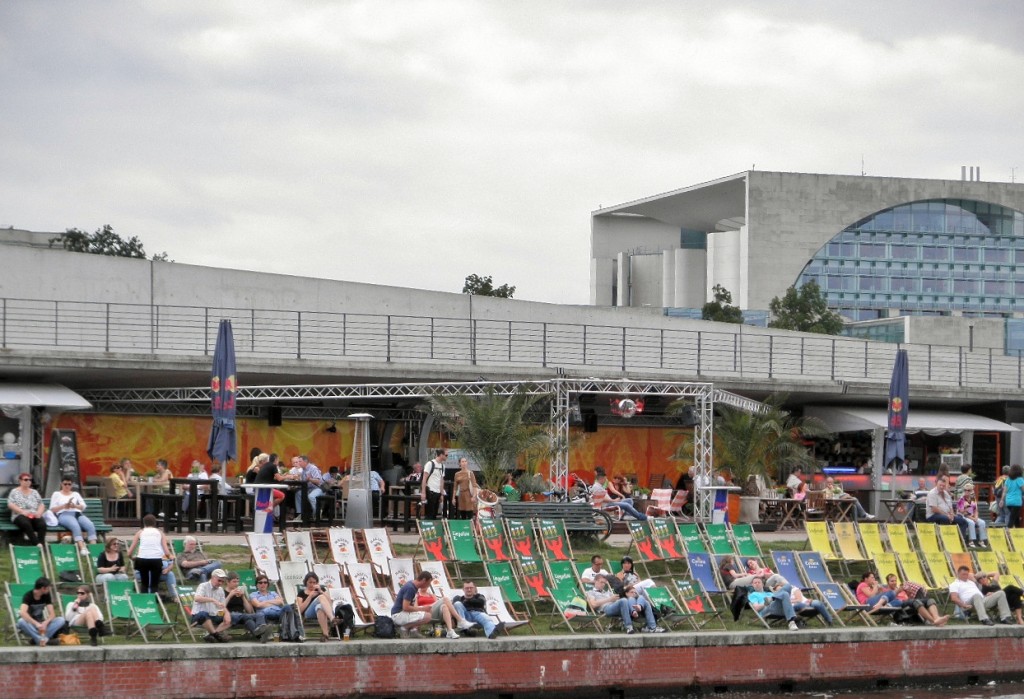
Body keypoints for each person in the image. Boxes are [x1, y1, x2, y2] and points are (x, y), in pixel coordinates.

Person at [585, 573, 665, 634]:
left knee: (643, 600)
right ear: (595, 581)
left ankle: (652, 627)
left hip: (620, 606)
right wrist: (610, 599)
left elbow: (617, 599)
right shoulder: (590, 592)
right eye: (601, 582)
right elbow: (593, 604)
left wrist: (626, 595)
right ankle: (629, 626)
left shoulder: (607, 592)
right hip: (607, 609)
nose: (603, 584)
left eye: (604, 583)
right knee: (624, 601)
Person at [948, 565, 1013, 625]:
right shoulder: (954, 584)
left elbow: (973, 577)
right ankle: (984, 619)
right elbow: (954, 598)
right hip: (969, 604)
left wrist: (986, 595)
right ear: (958, 574)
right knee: (976, 595)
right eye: (963, 574)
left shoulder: (971, 582)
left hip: (981, 600)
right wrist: (963, 605)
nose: (965, 576)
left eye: (966, 574)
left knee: (1001, 593)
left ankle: (1005, 618)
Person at [48, 478, 98, 554]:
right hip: (64, 514)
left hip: (77, 513)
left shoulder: (75, 494)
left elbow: (83, 506)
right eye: (65, 484)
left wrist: (74, 506)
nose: (67, 486)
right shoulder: (56, 494)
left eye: (69, 484)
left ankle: (94, 548)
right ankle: (82, 548)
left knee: (90, 525)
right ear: (61, 484)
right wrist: (64, 506)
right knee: (75, 525)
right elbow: (52, 509)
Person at [126, 514, 173, 594]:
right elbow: (166, 551)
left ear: (144, 523)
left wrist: (132, 557)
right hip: (156, 559)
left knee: (144, 583)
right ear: (155, 523)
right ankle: (153, 601)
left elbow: (129, 552)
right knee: (154, 584)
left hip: (142, 559)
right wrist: (171, 558)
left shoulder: (140, 532)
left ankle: (143, 602)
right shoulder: (160, 533)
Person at [16, 577, 65, 646]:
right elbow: (22, 612)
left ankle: (37, 639)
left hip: (41, 625)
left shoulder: (46, 595)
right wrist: (36, 624)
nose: (49, 590)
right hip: (30, 625)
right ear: (43, 588)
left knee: (61, 620)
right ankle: (45, 640)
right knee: (21, 621)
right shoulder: (28, 596)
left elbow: (52, 614)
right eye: (48, 588)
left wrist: (45, 622)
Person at [224, 571, 271, 642]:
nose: (237, 584)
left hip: (243, 617)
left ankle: (261, 634)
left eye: (238, 582)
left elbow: (250, 611)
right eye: (234, 582)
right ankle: (262, 631)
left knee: (255, 617)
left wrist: (243, 597)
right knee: (247, 616)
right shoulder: (222, 592)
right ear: (227, 582)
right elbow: (221, 606)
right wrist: (230, 595)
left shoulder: (239, 592)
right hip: (230, 616)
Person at [392, 570, 441, 637]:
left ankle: (413, 630)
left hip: (403, 612)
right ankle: (404, 628)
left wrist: (422, 609)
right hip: (398, 614)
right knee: (428, 616)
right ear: (424, 580)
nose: (429, 585)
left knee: (428, 611)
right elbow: (405, 607)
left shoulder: (413, 585)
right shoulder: (410, 588)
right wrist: (422, 608)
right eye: (428, 583)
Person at [192, 568, 233, 643]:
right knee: (203, 614)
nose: (220, 583)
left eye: (222, 581)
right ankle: (216, 635)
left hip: (214, 615)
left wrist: (227, 613)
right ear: (213, 577)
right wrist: (212, 600)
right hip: (198, 616)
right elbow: (197, 598)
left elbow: (222, 606)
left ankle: (211, 635)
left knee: (232, 617)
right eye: (219, 580)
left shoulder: (220, 590)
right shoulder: (203, 586)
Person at [7, 472, 47, 546]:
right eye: (26, 480)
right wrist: (22, 511)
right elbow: (10, 504)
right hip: (19, 514)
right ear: (20, 481)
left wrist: (39, 513)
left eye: (30, 480)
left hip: (34, 514)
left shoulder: (34, 492)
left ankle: (42, 545)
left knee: (42, 524)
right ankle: (37, 544)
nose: (28, 481)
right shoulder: (14, 492)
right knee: (25, 524)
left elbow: (41, 504)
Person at [925, 475, 970, 541]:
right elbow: (934, 509)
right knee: (945, 518)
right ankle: (946, 540)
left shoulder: (946, 493)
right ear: (936, 484)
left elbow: (950, 506)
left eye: (943, 486)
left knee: (963, 521)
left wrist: (952, 514)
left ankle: (961, 541)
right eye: (940, 485)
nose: (941, 487)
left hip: (947, 514)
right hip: (933, 515)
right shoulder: (932, 493)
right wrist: (947, 515)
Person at [296, 571, 337, 642]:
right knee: (321, 597)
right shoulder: (301, 593)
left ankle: (325, 635)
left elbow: (331, 603)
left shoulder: (321, 590)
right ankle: (332, 619)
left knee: (319, 607)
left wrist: (321, 591)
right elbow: (300, 610)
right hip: (308, 613)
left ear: (317, 583)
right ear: (306, 582)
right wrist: (310, 596)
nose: (312, 584)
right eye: (310, 582)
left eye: (314, 582)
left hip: (321, 612)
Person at [719, 555, 785, 590]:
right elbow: (735, 575)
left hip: (769, 583)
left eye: (751, 562)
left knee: (776, 576)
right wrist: (744, 574)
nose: (750, 565)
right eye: (749, 564)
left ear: (756, 561)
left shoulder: (766, 569)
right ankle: (762, 575)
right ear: (729, 560)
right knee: (754, 576)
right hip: (733, 583)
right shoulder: (728, 565)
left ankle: (788, 587)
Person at [956, 483, 989, 548]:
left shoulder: (973, 499)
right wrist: (973, 519)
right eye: (965, 490)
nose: (966, 492)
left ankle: (981, 540)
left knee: (982, 522)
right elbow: (963, 512)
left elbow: (975, 510)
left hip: (972, 516)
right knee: (971, 522)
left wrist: (976, 517)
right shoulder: (961, 499)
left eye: (969, 490)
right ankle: (971, 541)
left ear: (971, 491)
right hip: (963, 516)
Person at [420, 449, 448, 520]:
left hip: (438, 492)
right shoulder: (430, 464)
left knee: (435, 513)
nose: (447, 457)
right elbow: (424, 478)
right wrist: (423, 492)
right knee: (429, 513)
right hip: (430, 491)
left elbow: (442, 480)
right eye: (446, 455)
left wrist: (441, 494)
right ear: (441, 455)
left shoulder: (442, 466)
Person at [1003, 464, 1024, 529]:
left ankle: (1018, 532)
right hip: (1016, 501)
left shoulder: (1008, 480)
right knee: (1012, 518)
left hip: (1008, 501)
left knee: (1016, 517)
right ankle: (1008, 532)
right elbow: (1023, 489)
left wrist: (1001, 500)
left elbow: (1004, 491)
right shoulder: (1020, 479)